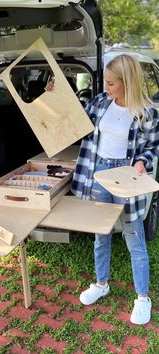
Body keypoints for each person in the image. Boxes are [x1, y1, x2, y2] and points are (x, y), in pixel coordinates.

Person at [46, 55, 159, 325]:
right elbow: (73, 120)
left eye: (110, 83)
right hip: (98, 175)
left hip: (125, 176)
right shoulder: (99, 103)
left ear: (127, 82)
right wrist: (54, 97)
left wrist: (143, 161)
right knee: (101, 235)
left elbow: (152, 147)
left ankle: (142, 298)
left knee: (134, 238)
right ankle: (101, 283)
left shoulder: (147, 113)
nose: (105, 87)